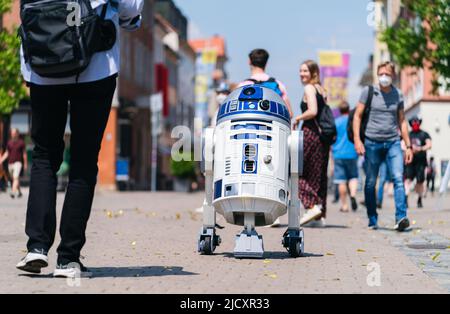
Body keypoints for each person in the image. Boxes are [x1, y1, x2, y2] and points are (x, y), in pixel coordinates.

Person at [16, 0, 144, 278]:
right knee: (84, 160)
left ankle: (36, 247)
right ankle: (67, 258)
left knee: (44, 155)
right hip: (95, 66)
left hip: (42, 63)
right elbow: (130, 10)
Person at [353, 61, 413, 231]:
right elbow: (357, 116)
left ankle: (401, 217)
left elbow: (402, 120)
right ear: (377, 75)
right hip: (372, 142)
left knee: (398, 178)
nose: (384, 77)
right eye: (381, 73)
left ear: (393, 75)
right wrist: (358, 140)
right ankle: (372, 218)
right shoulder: (369, 92)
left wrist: (408, 146)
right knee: (371, 182)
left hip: (393, 142)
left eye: (387, 73)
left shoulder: (398, 94)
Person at [294, 60, 330, 227]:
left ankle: (312, 205)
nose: (302, 74)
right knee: (318, 175)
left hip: (310, 133)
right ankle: (319, 215)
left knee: (298, 173)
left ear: (313, 73)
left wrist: (298, 118)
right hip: (323, 137)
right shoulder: (321, 90)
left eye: (305, 71)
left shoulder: (309, 88)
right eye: (301, 71)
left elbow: (313, 111)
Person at [238, 49, 293, 118]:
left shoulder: (243, 86)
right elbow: (289, 113)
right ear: (266, 63)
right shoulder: (278, 84)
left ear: (249, 61)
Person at [331, 101, 359, 213]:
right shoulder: (353, 122)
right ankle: (352, 195)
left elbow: (332, 137)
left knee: (341, 180)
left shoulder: (336, 122)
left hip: (338, 153)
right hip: (352, 152)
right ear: (349, 109)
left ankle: (344, 205)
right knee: (353, 177)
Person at [405, 116, 432, 208]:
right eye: (413, 122)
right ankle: (406, 199)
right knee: (408, 180)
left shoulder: (424, 134)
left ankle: (419, 199)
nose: (415, 123)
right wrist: (409, 149)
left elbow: (429, 144)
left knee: (420, 182)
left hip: (421, 162)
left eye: (416, 121)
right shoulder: (408, 134)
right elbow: (402, 145)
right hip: (410, 161)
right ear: (411, 123)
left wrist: (420, 148)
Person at [0, 129, 28, 198]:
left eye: (14, 133)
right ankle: (19, 191)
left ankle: (13, 191)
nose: (13, 134)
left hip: (18, 163)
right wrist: (1, 160)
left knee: (15, 177)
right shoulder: (9, 143)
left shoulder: (21, 142)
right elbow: (7, 153)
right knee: (15, 178)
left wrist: (25, 164)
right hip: (10, 164)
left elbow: (24, 154)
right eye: (12, 133)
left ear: (17, 134)